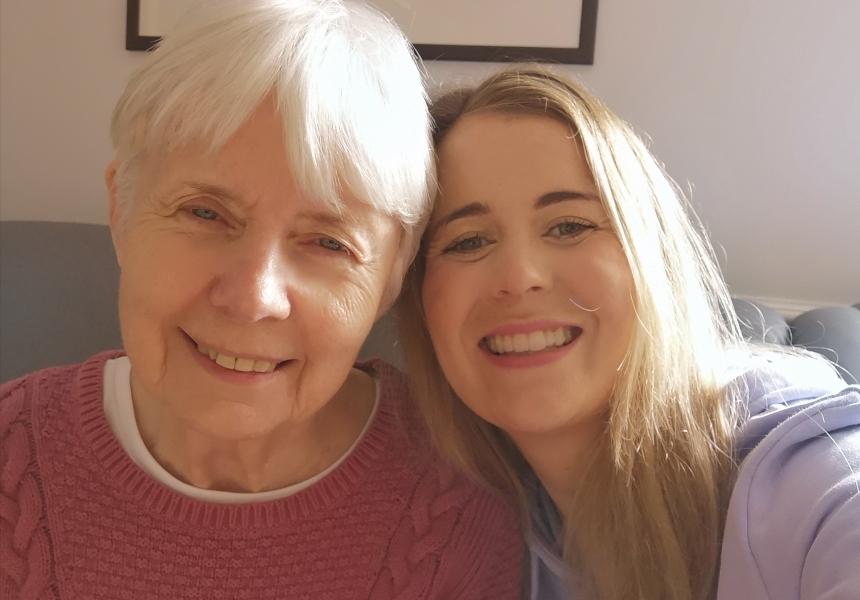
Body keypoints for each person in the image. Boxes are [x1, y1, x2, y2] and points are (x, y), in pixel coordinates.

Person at [0, 2, 523, 598]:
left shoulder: (460, 505)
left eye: (328, 242)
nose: (253, 298)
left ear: (393, 273)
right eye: (204, 212)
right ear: (122, 210)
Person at [397, 66, 860, 600]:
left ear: (652, 258)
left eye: (569, 225)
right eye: (468, 241)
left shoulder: (810, 479)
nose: (520, 277)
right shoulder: (447, 532)